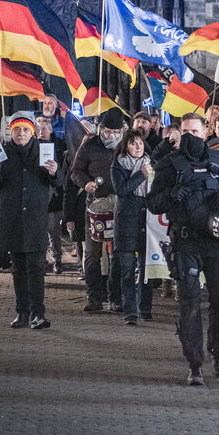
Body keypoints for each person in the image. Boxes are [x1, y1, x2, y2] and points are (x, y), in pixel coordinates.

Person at [146, 112, 219, 385]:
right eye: (186, 132)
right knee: (189, 305)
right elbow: (153, 203)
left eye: (196, 131)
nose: (191, 136)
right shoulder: (169, 165)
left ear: (206, 132)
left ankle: (218, 350)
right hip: (186, 242)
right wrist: (170, 196)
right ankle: (195, 363)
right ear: (179, 134)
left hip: (217, 243)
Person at [0, 112, 60, 330]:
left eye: (25, 130)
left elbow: (56, 182)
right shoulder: (2, 153)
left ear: (32, 131)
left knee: (35, 267)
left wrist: (54, 173)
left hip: (35, 218)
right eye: (17, 130)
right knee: (18, 268)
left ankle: (38, 314)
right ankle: (22, 313)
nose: (21, 134)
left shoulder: (44, 150)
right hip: (13, 218)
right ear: (11, 132)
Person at [72, 110, 125, 312]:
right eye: (108, 131)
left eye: (115, 132)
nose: (111, 136)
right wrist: (86, 184)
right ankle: (94, 297)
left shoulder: (127, 145)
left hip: (121, 206)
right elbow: (76, 171)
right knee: (93, 254)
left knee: (118, 253)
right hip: (95, 205)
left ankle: (116, 298)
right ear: (100, 128)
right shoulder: (90, 145)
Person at [111, 129, 154, 325]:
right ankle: (130, 312)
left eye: (140, 143)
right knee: (127, 270)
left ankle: (144, 308)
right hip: (127, 219)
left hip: (147, 220)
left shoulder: (150, 164)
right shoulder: (118, 166)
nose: (138, 146)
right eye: (133, 143)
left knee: (146, 270)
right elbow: (122, 190)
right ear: (125, 146)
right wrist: (140, 176)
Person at [36, 118, 67, 274]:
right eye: (39, 129)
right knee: (40, 231)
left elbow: (64, 171)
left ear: (51, 130)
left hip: (54, 195)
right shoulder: (33, 146)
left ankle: (57, 260)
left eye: (44, 129)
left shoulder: (60, 145)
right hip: (38, 196)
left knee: (54, 231)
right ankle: (41, 261)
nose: (41, 132)